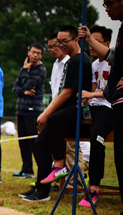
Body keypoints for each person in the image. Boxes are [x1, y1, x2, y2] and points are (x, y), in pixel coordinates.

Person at [79, 0, 123, 215]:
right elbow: (113, 57)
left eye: (110, 4)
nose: (107, 9)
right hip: (119, 101)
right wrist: (89, 39)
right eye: (104, 4)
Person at [20, 25, 92, 202]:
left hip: (75, 110)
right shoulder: (69, 61)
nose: (60, 45)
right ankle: (42, 189)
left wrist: (46, 114)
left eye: (64, 41)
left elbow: (67, 93)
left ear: (76, 40)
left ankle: (59, 165)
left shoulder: (79, 60)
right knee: (40, 144)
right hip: (63, 108)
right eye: (58, 42)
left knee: (53, 120)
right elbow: (60, 92)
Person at [76, 26, 114, 207]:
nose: (91, 46)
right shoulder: (93, 64)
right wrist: (85, 100)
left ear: (107, 44)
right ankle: (61, 169)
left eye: (96, 42)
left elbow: (111, 92)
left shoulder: (115, 62)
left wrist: (91, 95)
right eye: (90, 41)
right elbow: (92, 89)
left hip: (108, 108)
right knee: (63, 124)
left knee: (96, 139)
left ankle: (94, 188)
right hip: (94, 107)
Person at [12, 44, 47, 179]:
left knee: (34, 142)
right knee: (22, 141)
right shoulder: (24, 69)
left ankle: (42, 171)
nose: (35, 55)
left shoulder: (41, 70)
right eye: (33, 52)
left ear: (41, 56)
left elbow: (28, 84)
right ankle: (27, 170)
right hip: (20, 109)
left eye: (38, 53)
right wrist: (24, 91)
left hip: (33, 110)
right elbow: (16, 88)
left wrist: (26, 74)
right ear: (28, 52)